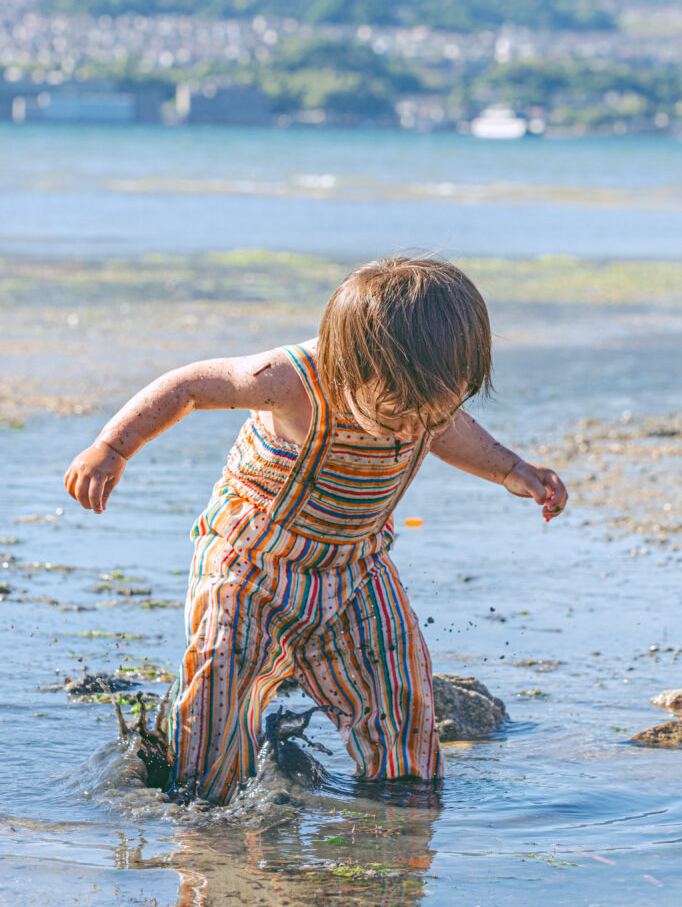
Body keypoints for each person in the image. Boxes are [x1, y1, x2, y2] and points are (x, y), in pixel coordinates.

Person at [64, 256, 567, 804]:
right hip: (252, 561)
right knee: (220, 681)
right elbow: (190, 386)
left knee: (398, 681)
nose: (413, 428)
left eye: (432, 414)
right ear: (355, 368)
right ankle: (199, 802)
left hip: (357, 566)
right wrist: (112, 447)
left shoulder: (425, 404)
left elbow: (454, 434)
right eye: (398, 413)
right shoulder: (290, 380)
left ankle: (403, 796)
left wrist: (512, 469)